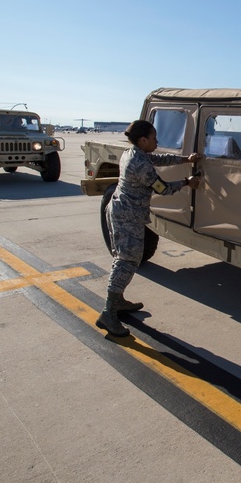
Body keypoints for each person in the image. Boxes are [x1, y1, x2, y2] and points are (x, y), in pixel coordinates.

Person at [97, 120, 203, 337]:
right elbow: (162, 188)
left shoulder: (135, 153)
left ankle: (118, 301)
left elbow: (159, 158)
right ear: (143, 140)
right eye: (154, 138)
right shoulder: (139, 163)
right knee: (126, 261)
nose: (157, 141)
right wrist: (187, 182)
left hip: (125, 211)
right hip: (127, 215)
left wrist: (185, 159)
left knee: (129, 259)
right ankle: (109, 313)